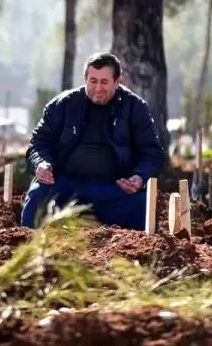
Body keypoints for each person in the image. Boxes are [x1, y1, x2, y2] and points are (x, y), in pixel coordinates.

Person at [22, 51, 165, 230]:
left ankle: (139, 252)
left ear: (118, 80)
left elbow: (152, 152)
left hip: (113, 188)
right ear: (85, 78)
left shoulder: (135, 108)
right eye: (93, 81)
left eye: (104, 82)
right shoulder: (62, 105)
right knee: (38, 195)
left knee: (142, 204)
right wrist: (41, 164)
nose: (98, 88)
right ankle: (28, 245)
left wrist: (139, 177)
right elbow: (38, 144)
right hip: (65, 184)